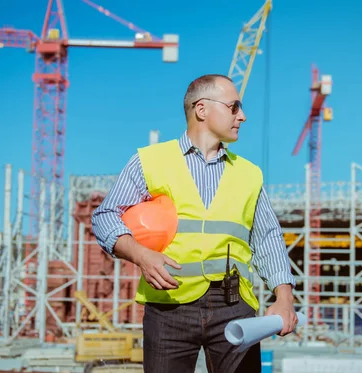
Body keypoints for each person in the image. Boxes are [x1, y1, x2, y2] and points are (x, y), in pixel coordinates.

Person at [91, 74, 297, 373]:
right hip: (168, 305)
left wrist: (284, 297)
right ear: (202, 109)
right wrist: (141, 255)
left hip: (235, 306)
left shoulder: (249, 174)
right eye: (234, 106)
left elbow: (267, 237)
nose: (243, 115)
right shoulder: (150, 161)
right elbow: (105, 216)